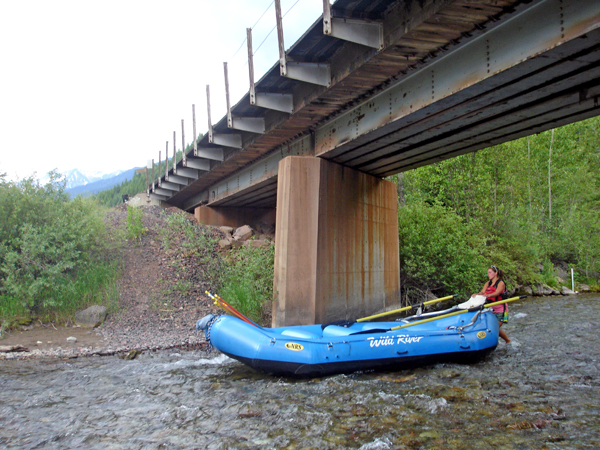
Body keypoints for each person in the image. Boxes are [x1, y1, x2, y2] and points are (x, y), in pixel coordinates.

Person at [472, 265, 510, 343]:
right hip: (490, 309)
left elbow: (497, 293)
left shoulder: (500, 283)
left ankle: (508, 341)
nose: (488, 274)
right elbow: (482, 292)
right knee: (491, 327)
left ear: (495, 273)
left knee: (495, 328)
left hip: (501, 310)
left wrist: (488, 295)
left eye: (490, 272)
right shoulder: (488, 283)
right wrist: (477, 294)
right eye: (488, 273)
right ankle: (502, 341)